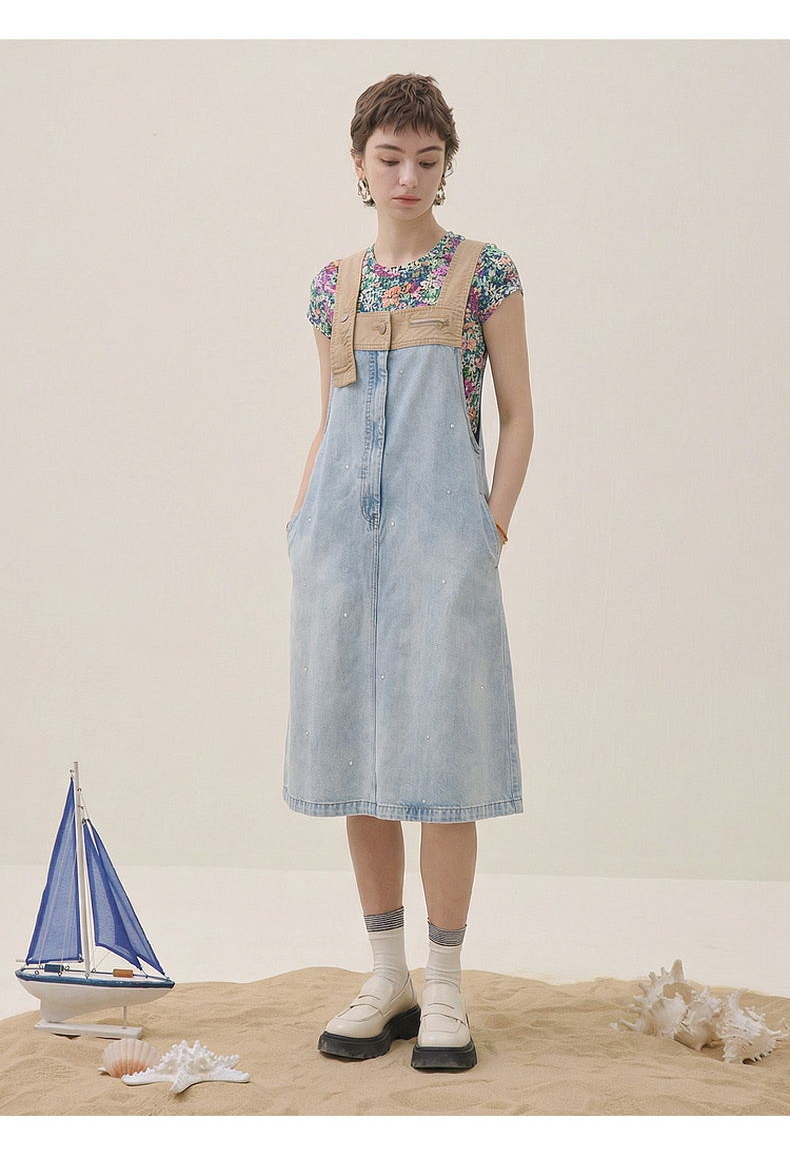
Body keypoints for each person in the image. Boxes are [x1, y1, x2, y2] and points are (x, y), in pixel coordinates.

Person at [283, 73, 533, 1071]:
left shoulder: (485, 272)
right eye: (389, 158)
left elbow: (518, 416)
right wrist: (302, 526)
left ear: (445, 166)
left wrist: (490, 530)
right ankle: (386, 975)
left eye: (427, 160)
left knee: (447, 769)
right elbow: (331, 417)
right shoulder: (330, 285)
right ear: (359, 163)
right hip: (340, 552)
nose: (407, 177)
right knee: (359, 764)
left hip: (443, 552)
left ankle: (446, 988)